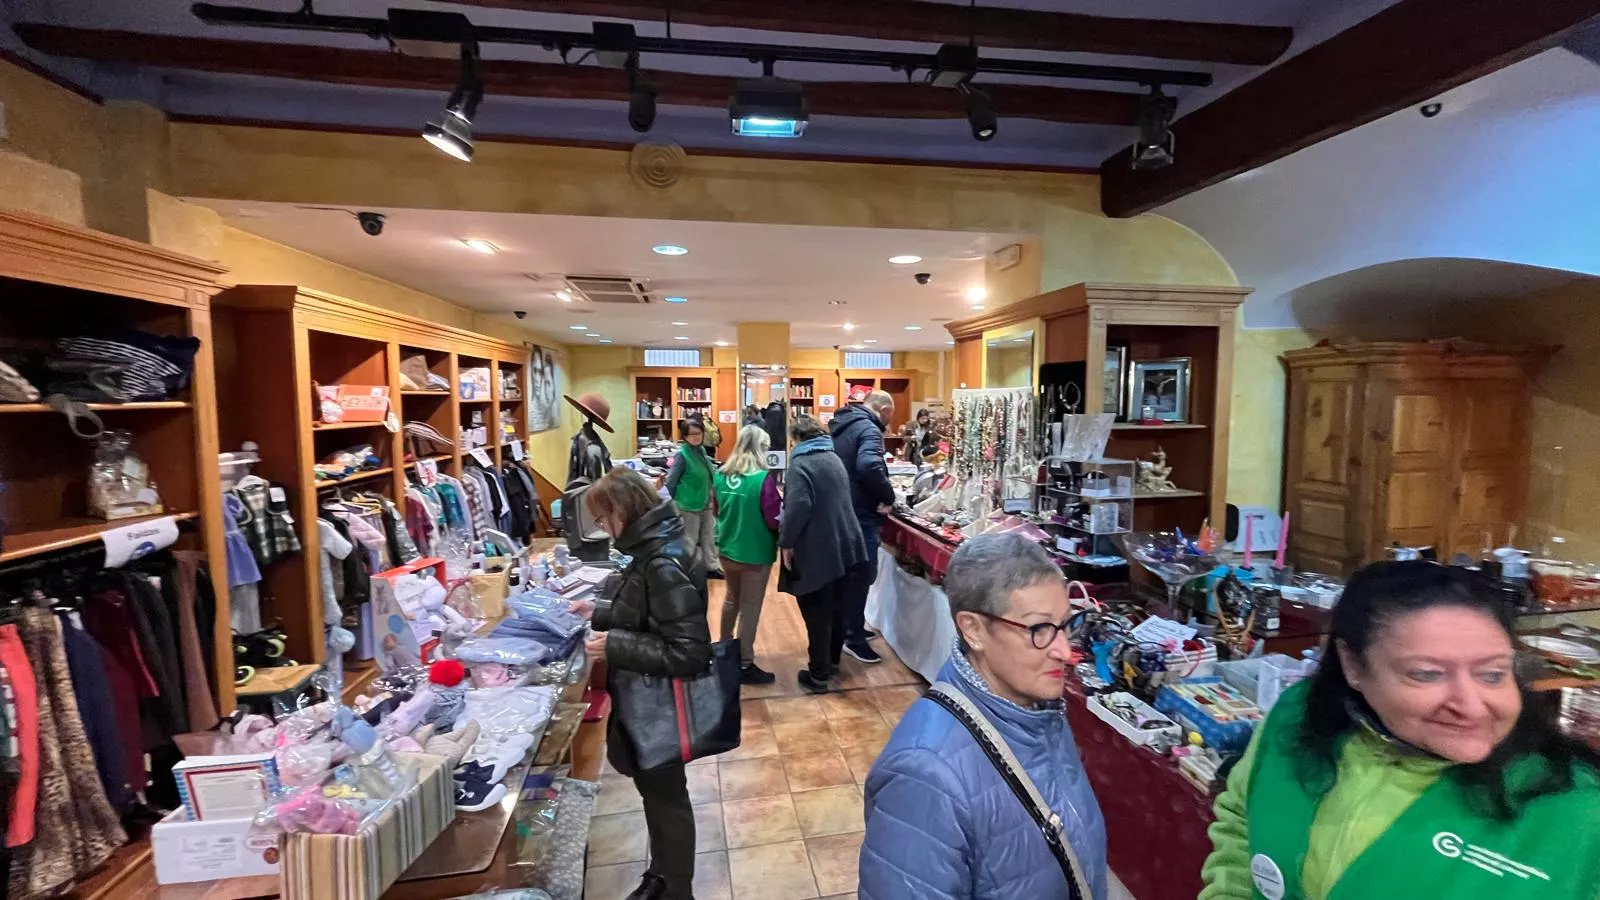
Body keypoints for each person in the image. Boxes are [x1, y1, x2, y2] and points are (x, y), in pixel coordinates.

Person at [1200, 561, 1600, 900]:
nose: (1471, 705)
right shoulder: (1298, 717)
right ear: (1353, 666)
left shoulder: (1578, 813)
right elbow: (1240, 819)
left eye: (1492, 674)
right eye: (1426, 674)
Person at [861, 533, 1108, 899]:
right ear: (973, 630)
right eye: (1040, 629)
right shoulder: (924, 774)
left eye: (1067, 625)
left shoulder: (1039, 712)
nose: (1064, 651)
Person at [581, 467, 713, 900]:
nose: (603, 527)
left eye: (603, 518)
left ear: (622, 512)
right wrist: (600, 611)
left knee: (666, 799)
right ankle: (663, 874)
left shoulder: (661, 560)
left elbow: (689, 651)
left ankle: (675, 889)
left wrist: (614, 645)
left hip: (659, 707)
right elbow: (649, 609)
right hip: (650, 699)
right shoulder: (654, 545)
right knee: (659, 796)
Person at [778, 414, 868, 693]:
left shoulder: (801, 464)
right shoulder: (833, 457)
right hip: (846, 545)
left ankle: (818, 675)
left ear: (796, 438)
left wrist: (786, 542)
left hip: (818, 549)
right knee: (837, 609)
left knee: (816, 613)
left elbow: (798, 508)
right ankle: (832, 662)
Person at [830, 388, 897, 664]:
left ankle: (850, 627)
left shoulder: (842, 424)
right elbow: (869, 465)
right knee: (862, 573)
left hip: (842, 507)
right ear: (883, 411)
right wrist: (888, 496)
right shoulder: (869, 429)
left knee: (850, 574)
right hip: (861, 512)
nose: (888, 422)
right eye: (889, 416)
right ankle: (853, 637)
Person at [713, 425, 782, 685]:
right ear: (759, 448)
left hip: (727, 548)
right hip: (755, 551)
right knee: (750, 607)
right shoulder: (762, 480)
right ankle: (744, 663)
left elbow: (716, 510)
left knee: (732, 599)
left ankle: (723, 650)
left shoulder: (721, 474)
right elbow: (774, 519)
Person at [665, 416, 723, 581]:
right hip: (688, 504)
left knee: (708, 537)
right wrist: (673, 505)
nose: (697, 437)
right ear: (685, 437)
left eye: (699, 433)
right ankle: (689, 571)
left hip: (705, 501)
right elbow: (670, 482)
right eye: (692, 434)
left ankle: (711, 567)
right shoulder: (682, 455)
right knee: (690, 540)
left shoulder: (701, 451)